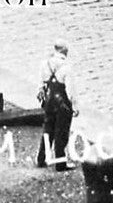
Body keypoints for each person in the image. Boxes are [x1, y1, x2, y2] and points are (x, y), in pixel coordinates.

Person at [36, 41, 79, 171]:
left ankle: (41, 159)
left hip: (49, 101)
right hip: (62, 104)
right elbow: (70, 90)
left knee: (48, 129)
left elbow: (41, 83)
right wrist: (75, 106)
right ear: (65, 51)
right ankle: (60, 163)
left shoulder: (46, 64)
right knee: (61, 133)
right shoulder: (67, 67)